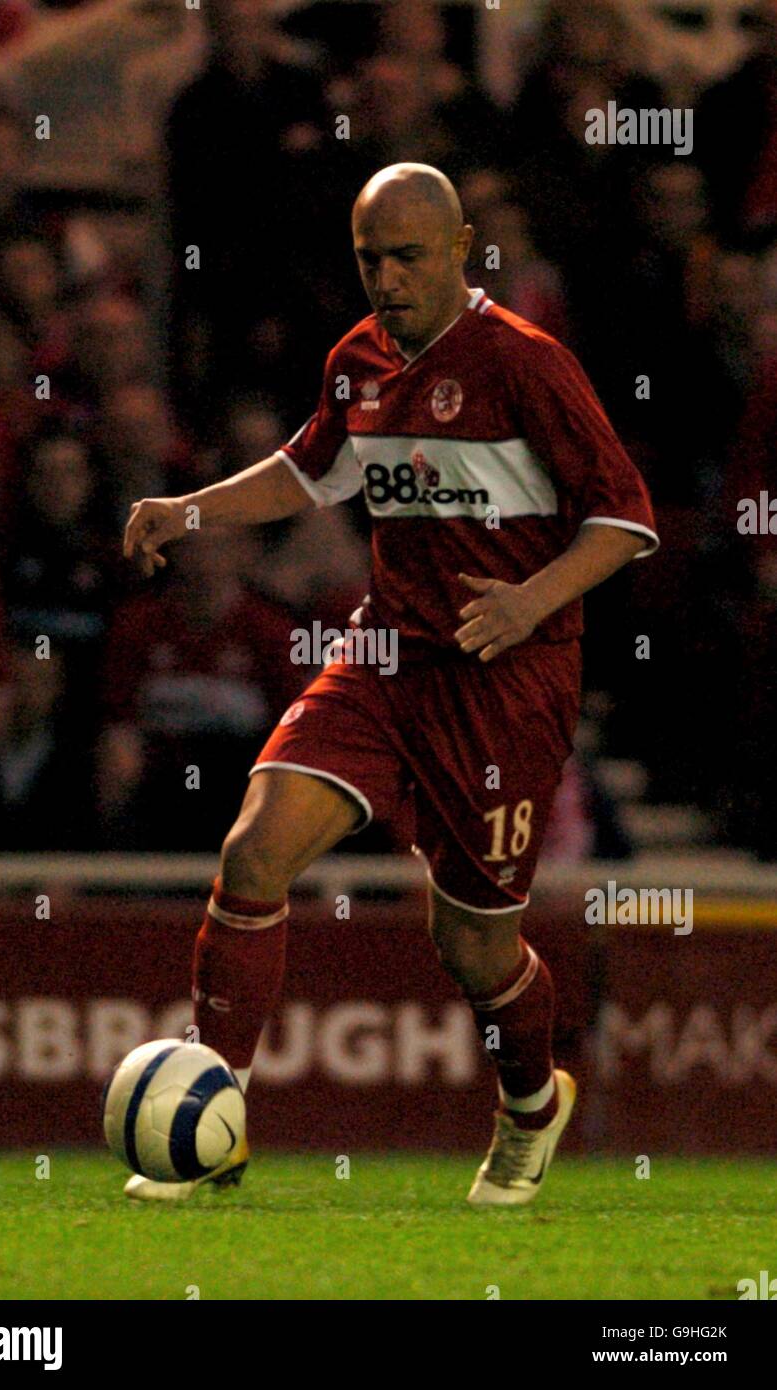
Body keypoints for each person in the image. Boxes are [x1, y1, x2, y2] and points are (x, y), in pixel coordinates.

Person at [123, 163, 658, 1206]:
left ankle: (527, 1103)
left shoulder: (524, 365)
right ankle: (211, 1117)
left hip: (506, 686)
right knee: (253, 846)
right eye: (370, 258)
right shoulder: (356, 360)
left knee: (469, 941)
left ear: (460, 250)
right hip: (384, 657)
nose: (386, 277)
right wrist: (186, 510)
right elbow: (308, 469)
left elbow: (624, 518)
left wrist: (526, 600)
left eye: (408, 256)